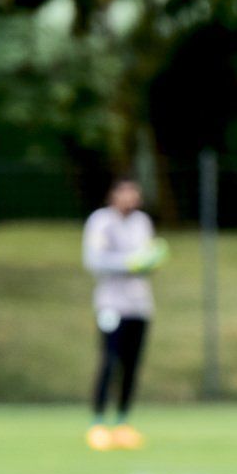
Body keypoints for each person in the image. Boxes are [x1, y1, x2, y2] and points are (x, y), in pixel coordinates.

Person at [83, 178, 164, 450]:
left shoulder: (142, 222)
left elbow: (147, 258)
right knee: (109, 361)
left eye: (134, 194)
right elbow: (94, 260)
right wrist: (128, 263)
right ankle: (98, 423)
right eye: (124, 193)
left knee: (132, 365)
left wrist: (151, 261)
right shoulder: (101, 221)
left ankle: (122, 422)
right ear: (113, 195)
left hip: (139, 306)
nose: (129, 198)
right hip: (111, 305)